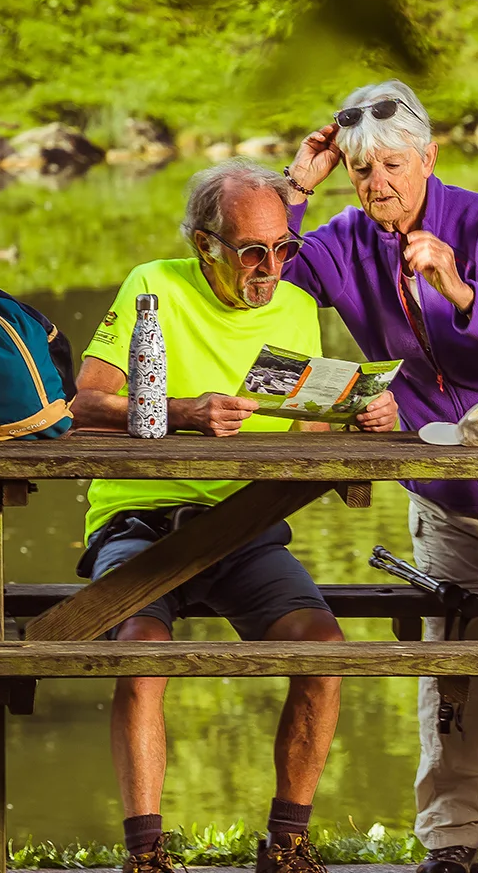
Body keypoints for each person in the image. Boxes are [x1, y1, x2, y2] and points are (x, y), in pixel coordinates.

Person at [278, 81, 478, 873]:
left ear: (428, 158)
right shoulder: (343, 242)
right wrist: (294, 190)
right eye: (361, 171)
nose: (377, 184)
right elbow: (259, 292)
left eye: (392, 164)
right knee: (453, 663)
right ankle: (455, 840)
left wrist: (460, 288)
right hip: (446, 493)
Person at [70, 160, 399, 873]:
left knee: (324, 649)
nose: (271, 266)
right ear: (204, 243)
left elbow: (303, 433)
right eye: (254, 250)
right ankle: (147, 853)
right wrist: (183, 414)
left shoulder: (296, 308)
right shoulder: (153, 284)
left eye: (284, 248)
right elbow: (83, 406)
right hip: (141, 521)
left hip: (244, 528)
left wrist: (360, 417)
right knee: (141, 650)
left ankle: (287, 843)